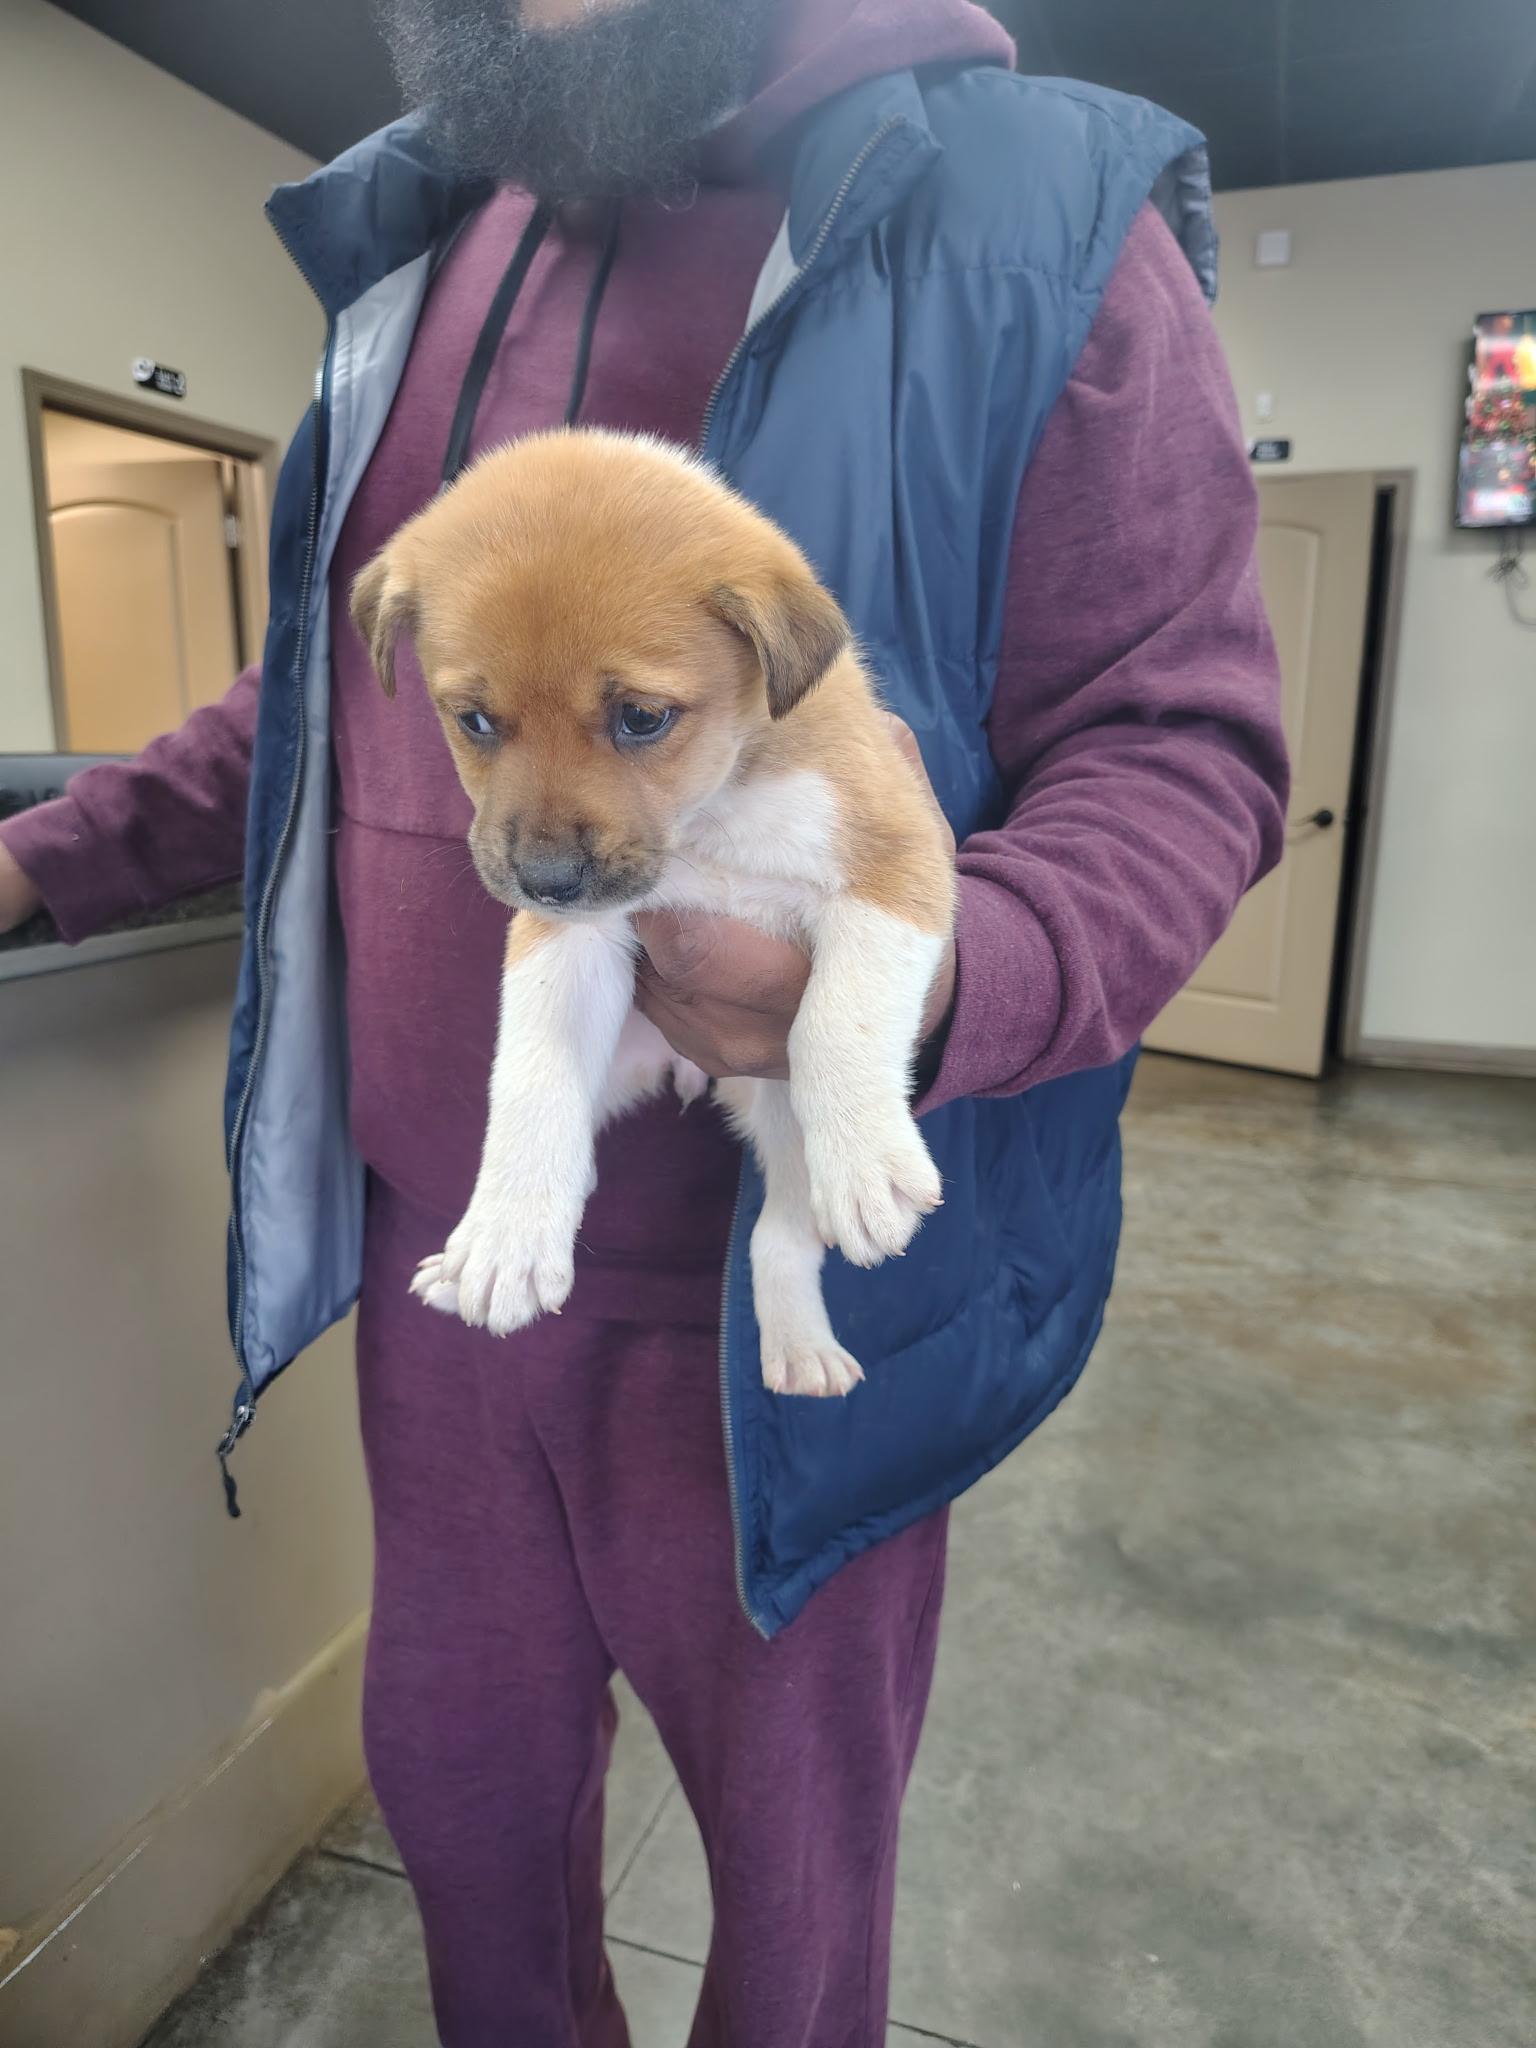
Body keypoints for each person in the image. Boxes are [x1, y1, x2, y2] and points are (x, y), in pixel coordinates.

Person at [0, 0, 1289, 2040]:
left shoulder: (1032, 221)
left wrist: (930, 975)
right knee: (468, 1812)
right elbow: (320, 716)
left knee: (790, 1897)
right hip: (455, 1286)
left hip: (782, 1329)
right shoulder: (426, 246)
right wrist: (44, 855)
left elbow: (1180, 746)